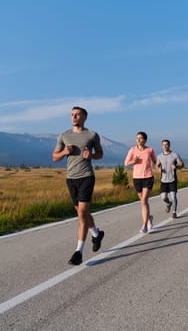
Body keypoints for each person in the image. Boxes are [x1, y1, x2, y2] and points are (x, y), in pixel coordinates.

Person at [53, 106, 105, 265]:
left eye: (77, 114)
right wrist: (64, 153)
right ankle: (96, 234)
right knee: (82, 213)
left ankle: (78, 252)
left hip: (87, 177)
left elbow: (100, 154)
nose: (74, 117)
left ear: (84, 117)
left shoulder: (92, 135)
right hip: (71, 178)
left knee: (82, 214)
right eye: (72, 115)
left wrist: (92, 156)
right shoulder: (64, 135)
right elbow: (55, 157)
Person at [124, 131, 157, 234]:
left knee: (144, 201)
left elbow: (155, 162)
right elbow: (126, 163)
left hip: (148, 177)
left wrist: (160, 167)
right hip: (137, 178)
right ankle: (149, 218)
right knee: (143, 202)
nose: (138, 140)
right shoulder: (132, 150)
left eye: (141, 138)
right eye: (137, 138)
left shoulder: (150, 150)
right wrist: (133, 161)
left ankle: (144, 224)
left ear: (145, 140)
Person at [156, 139, 184, 219]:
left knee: (173, 196)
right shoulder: (159, 156)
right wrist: (159, 169)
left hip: (172, 179)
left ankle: (174, 212)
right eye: (163, 145)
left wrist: (177, 166)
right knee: (163, 197)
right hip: (163, 180)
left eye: (166, 144)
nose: (165, 146)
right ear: (162, 146)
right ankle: (169, 203)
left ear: (169, 145)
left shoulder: (175, 155)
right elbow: (157, 165)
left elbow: (182, 164)